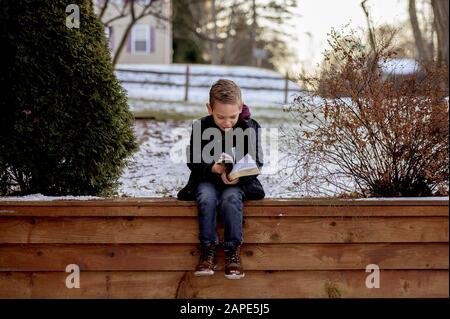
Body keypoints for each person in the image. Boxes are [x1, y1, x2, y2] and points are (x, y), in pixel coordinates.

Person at [177, 79, 265, 280]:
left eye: (233, 117)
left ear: (241, 108)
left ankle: (232, 251)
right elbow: (193, 160)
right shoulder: (201, 126)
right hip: (207, 179)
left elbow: (257, 161)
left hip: (237, 182)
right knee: (206, 197)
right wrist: (213, 168)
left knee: (231, 199)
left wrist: (239, 175)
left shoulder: (249, 127)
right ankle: (207, 249)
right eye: (220, 117)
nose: (227, 123)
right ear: (210, 109)